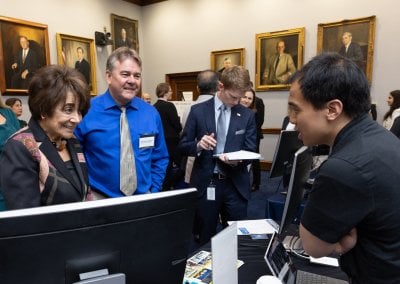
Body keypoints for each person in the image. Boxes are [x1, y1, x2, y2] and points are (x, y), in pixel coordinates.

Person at [287, 52, 400, 283]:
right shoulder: (381, 137)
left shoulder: (344, 168)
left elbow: (313, 246)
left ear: (332, 109)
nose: (291, 119)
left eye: (295, 109)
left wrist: (338, 246)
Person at [74, 47, 169, 198]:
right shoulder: (87, 111)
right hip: (99, 200)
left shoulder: (150, 114)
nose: (132, 80)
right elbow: (73, 157)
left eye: (137, 76)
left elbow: (160, 157)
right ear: (109, 76)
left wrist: (154, 190)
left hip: (144, 199)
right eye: (125, 74)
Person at [179, 65, 256, 245]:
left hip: (235, 184)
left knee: (237, 238)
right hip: (207, 182)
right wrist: (198, 145)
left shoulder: (246, 115)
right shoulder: (198, 111)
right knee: (206, 236)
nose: (238, 101)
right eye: (233, 97)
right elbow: (182, 146)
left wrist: (239, 160)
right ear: (221, 87)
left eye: (241, 97)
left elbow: (250, 149)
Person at [0, 65, 91, 210]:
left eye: (79, 111)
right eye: (68, 110)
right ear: (44, 109)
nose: (77, 119)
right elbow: (26, 220)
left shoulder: (71, 140)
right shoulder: (20, 147)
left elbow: (84, 193)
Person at [153, 83, 183, 191]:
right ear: (165, 92)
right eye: (170, 90)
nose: (171, 92)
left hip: (160, 141)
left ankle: (164, 186)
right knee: (182, 166)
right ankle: (167, 186)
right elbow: (177, 125)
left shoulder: (154, 106)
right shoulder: (170, 106)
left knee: (164, 166)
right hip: (172, 142)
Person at [240, 88, 265, 191]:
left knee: (254, 160)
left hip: (254, 136)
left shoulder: (258, 102)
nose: (246, 100)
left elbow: (260, 121)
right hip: (240, 139)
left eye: (249, 98)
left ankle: (256, 183)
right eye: (244, 97)